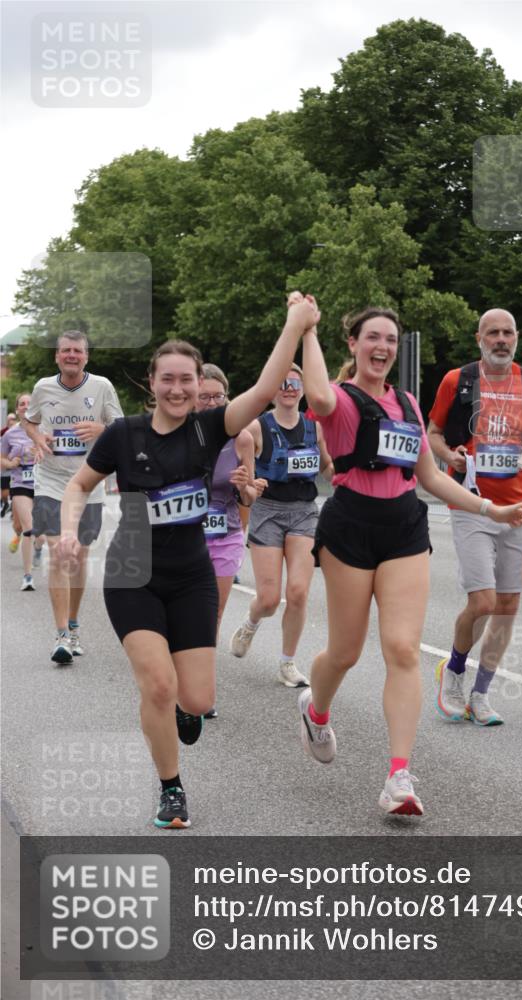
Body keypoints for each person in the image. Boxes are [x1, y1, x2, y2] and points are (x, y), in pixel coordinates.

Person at [56, 298, 318, 829]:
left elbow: (266, 390)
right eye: (167, 379)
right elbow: (80, 485)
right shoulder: (123, 434)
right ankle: (171, 787)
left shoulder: (210, 428)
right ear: (151, 382)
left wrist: (294, 325)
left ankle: (182, 709)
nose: (177, 389)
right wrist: (67, 531)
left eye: (187, 381)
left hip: (192, 573)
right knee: (158, 684)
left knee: (195, 700)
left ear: (200, 384)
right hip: (134, 571)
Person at [296, 293, 522, 817]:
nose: (382, 347)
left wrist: (489, 509)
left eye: (390, 340)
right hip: (350, 527)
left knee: (402, 649)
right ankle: (316, 709)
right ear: (354, 345)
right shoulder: (337, 399)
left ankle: (398, 777)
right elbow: (315, 389)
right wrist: (306, 328)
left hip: (404, 526)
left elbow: (427, 477)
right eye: (372, 338)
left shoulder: (405, 404)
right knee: (345, 652)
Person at [427, 309, 522, 726]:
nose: (501, 339)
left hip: (518, 508)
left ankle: (480, 694)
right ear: (479, 338)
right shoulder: (458, 380)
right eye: (493, 333)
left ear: (516, 337)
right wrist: (450, 455)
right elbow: (432, 434)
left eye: (507, 333)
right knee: (482, 602)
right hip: (471, 504)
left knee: (506, 607)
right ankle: (453, 672)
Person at [229, 361, 333, 688]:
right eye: (282, 383)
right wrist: (250, 486)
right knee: (270, 598)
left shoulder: (314, 428)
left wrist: (346, 481)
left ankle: (287, 663)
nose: (288, 388)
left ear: (303, 389)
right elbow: (245, 484)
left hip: (304, 511)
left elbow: (329, 466)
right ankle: (252, 620)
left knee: (299, 592)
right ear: (272, 389)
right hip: (269, 512)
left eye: (294, 383)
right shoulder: (256, 430)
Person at [22, 330, 123, 663]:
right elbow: (29, 421)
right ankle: (61, 634)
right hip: (50, 479)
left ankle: (75, 624)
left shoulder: (102, 387)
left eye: (77, 351)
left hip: (88, 480)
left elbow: (122, 428)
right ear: (57, 356)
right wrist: (38, 439)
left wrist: (100, 430)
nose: (71, 356)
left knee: (78, 555)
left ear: (86, 356)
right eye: (65, 350)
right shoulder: (42, 388)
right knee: (58, 550)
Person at [196, 362, 261, 719]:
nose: (210, 402)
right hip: (182, 537)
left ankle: (202, 687)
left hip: (225, 535)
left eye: (217, 396)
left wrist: (244, 487)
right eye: (203, 396)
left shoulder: (242, 438)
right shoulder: (177, 434)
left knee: (211, 615)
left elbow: (248, 498)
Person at [0, 393, 45, 589]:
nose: (25, 406)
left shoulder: (44, 429)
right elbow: (1, 459)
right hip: (20, 484)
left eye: (29, 403)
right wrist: (10, 462)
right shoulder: (10, 434)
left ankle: (38, 547)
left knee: (41, 535)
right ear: (17, 409)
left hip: (44, 485)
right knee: (28, 529)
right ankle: (27, 577)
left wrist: (42, 452)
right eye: (22, 404)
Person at [0, 412, 17, 517]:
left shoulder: (23, 433)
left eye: (13, 419)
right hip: (6, 467)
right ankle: (6, 503)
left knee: (16, 491)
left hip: (18, 469)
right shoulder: (3, 434)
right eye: (10, 419)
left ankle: (15, 510)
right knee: (5, 493)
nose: (12, 421)